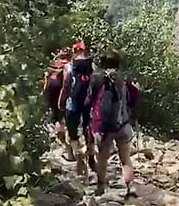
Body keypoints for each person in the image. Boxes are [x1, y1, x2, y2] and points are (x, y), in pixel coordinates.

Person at [88, 49, 140, 196]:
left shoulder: (96, 77)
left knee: (103, 159)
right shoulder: (124, 79)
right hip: (122, 124)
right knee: (125, 159)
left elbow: (89, 99)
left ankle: (100, 188)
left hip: (103, 126)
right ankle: (131, 187)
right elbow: (134, 98)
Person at [58, 41, 96, 181]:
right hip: (88, 102)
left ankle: (78, 156)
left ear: (73, 51)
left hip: (72, 102)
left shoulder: (69, 66)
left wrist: (61, 101)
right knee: (88, 129)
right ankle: (91, 157)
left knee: (73, 133)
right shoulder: (92, 66)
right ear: (84, 51)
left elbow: (66, 85)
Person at [43, 48, 73, 160]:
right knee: (65, 120)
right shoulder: (68, 66)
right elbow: (68, 83)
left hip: (51, 93)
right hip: (62, 94)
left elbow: (46, 80)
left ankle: (64, 146)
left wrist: (45, 95)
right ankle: (69, 150)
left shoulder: (52, 65)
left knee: (57, 119)